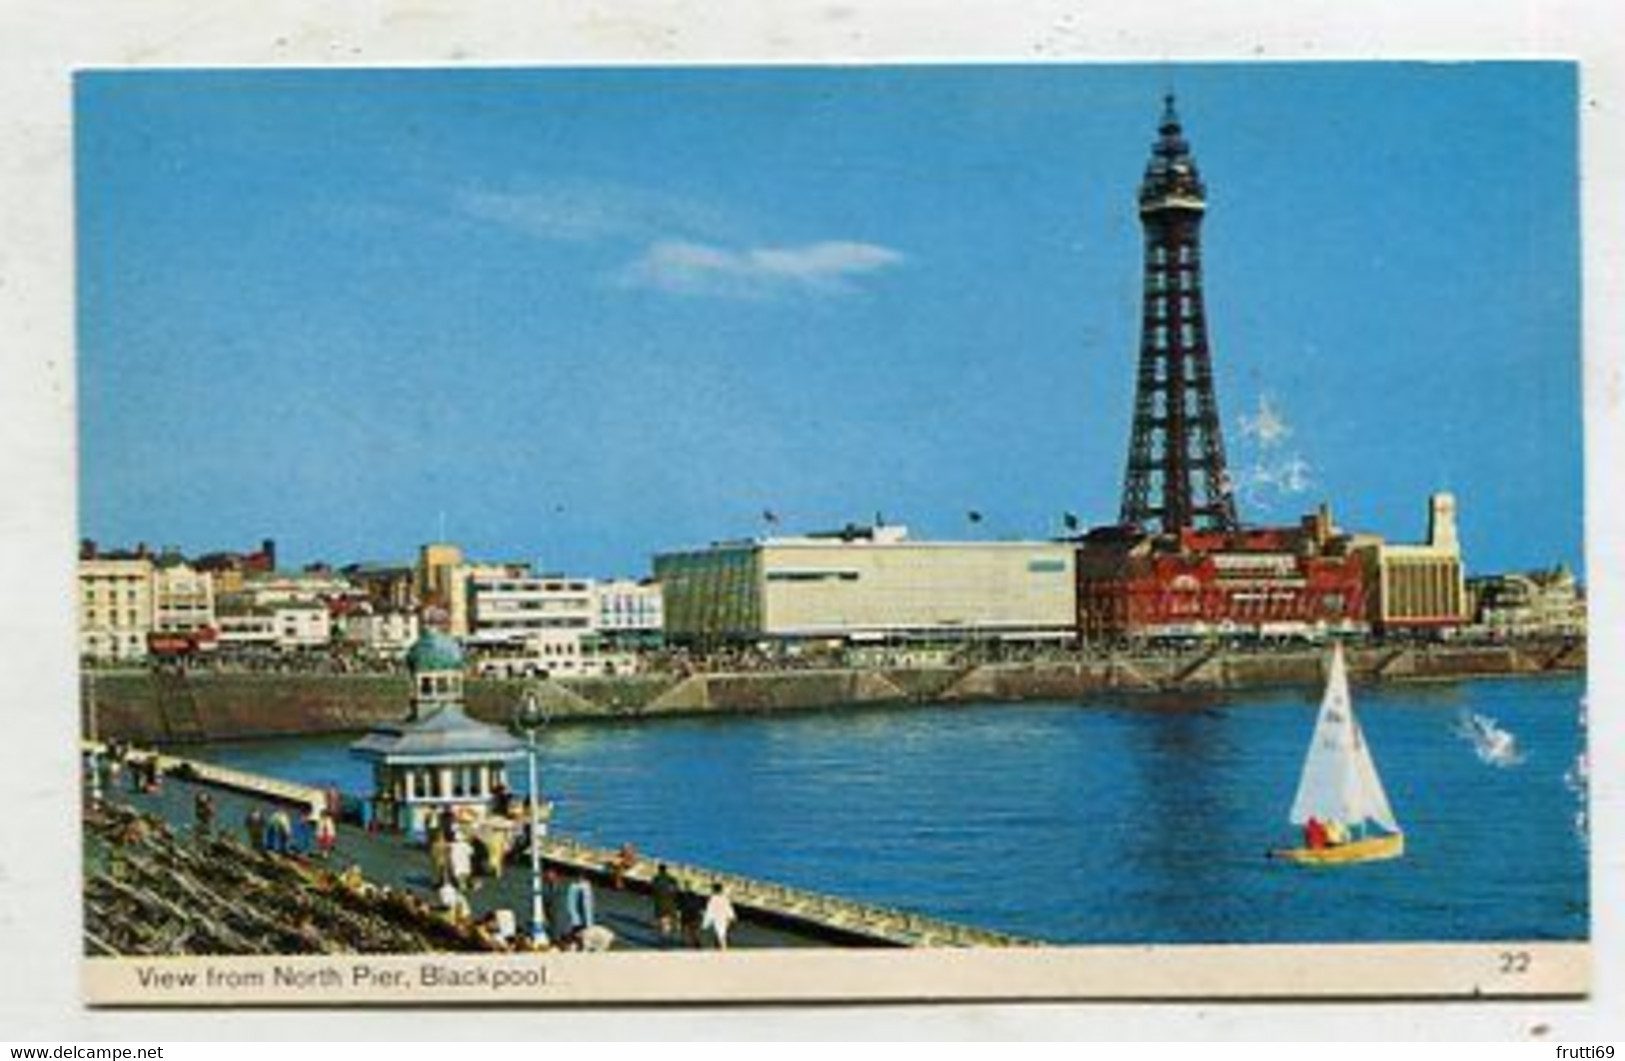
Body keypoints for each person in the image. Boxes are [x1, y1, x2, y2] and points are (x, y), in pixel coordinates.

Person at [701, 881, 737, 951]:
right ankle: (723, 949)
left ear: (713, 890)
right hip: (725, 919)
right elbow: (728, 908)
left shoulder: (713, 899)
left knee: (721, 936)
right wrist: (732, 917)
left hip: (719, 919)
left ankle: (723, 951)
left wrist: (705, 924)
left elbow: (709, 912)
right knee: (722, 936)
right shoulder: (724, 898)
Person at [650, 863, 680, 940]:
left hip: (660, 901)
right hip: (670, 900)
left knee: (663, 917)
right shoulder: (672, 879)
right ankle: (668, 931)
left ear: (659, 870)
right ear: (666, 869)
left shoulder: (656, 878)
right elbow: (676, 889)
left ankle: (665, 934)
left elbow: (653, 888)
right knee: (668, 916)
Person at [566, 875, 596, 948]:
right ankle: (577, 941)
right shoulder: (575, 888)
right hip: (579, 923)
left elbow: (586, 906)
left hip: (581, 923)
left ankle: (579, 941)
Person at [678, 882, 706, 949]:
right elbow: (702, 905)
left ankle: (689, 944)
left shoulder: (682, 896)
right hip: (695, 915)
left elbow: (679, 906)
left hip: (686, 915)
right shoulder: (697, 896)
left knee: (687, 931)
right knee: (694, 930)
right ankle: (696, 943)